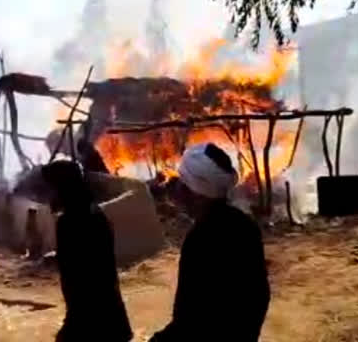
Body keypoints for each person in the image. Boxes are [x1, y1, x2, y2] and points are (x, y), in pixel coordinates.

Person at [150, 143, 270, 342]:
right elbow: (259, 297)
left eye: (182, 182)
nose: (177, 189)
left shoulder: (201, 240)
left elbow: (188, 322)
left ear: (196, 194)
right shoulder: (245, 226)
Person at [42, 160, 132, 342]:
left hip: (90, 321)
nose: (48, 195)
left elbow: (83, 278)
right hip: (109, 317)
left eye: (52, 188)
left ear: (63, 188)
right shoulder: (94, 213)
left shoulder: (70, 223)